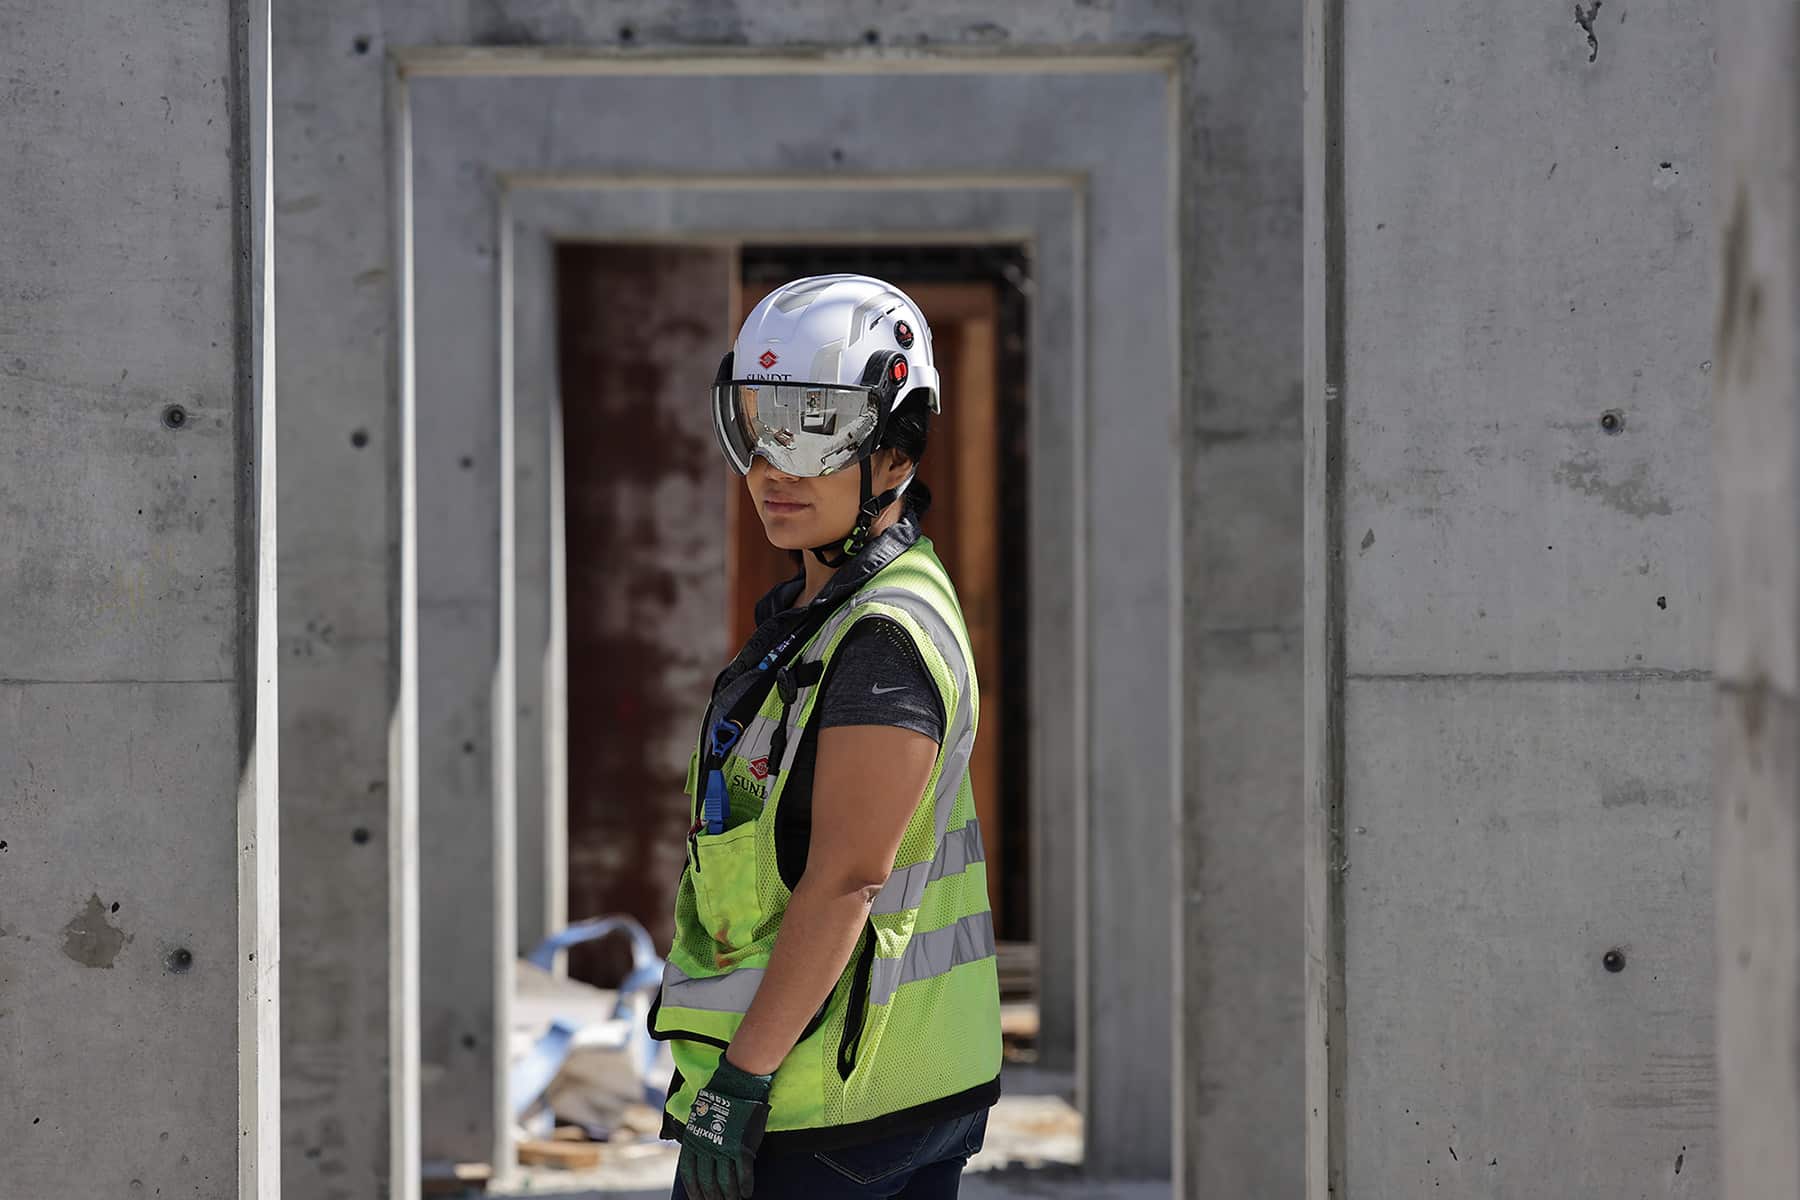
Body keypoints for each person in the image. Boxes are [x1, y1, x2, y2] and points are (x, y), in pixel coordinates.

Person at [651, 274, 1002, 1199]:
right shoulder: (824, 614)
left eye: (815, 432)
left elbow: (848, 876)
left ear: (895, 451)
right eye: (758, 427)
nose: (774, 467)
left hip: (826, 1105)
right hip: (876, 1081)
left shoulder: (881, 635)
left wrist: (738, 1084)